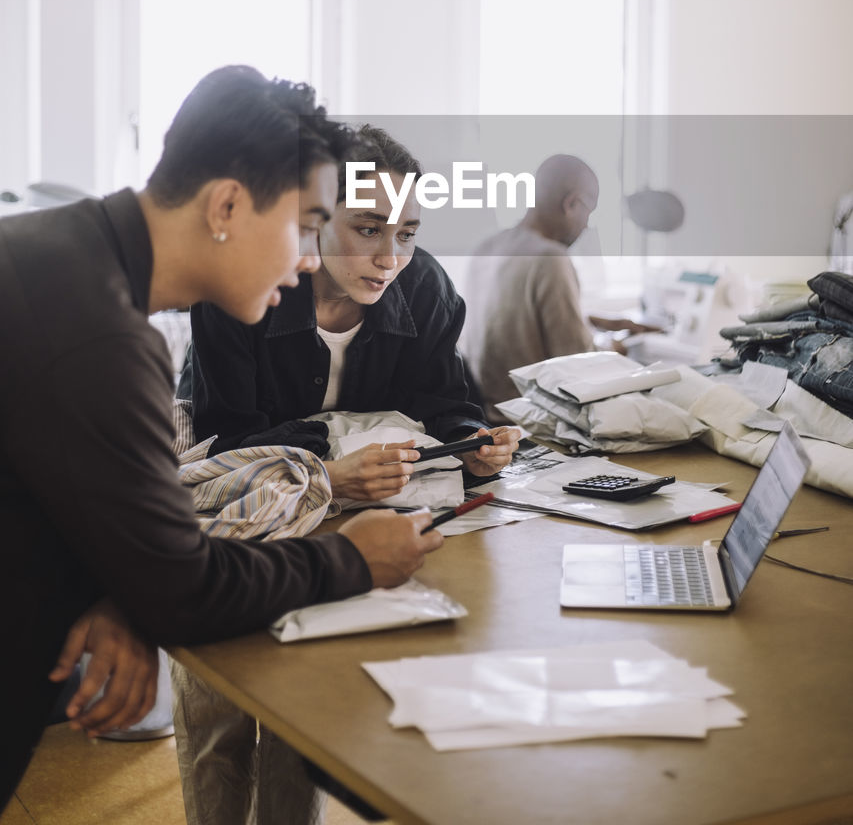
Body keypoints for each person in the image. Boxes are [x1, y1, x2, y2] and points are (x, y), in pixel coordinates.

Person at [0, 68, 443, 810]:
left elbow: (72, 494)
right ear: (228, 205)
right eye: (306, 226)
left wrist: (122, 588)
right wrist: (351, 557)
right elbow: (188, 592)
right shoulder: (103, 338)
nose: (309, 258)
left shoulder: (53, 256)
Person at [173, 125, 521, 825]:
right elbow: (225, 445)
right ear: (316, 217)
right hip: (238, 523)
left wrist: (470, 442)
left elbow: (445, 399)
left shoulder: (423, 287)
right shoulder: (241, 287)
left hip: (348, 535)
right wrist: (329, 471)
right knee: (222, 718)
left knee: (302, 716)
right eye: (367, 229)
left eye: (408, 233)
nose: (390, 256)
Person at [462, 154, 651, 415]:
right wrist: (619, 345)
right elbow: (580, 361)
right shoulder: (550, 258)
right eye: (589, 212)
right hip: (530, 421)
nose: (586, 225)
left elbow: (513, 321)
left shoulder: (487, 247)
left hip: (485, 413)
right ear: (571, 204)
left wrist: (594, 321)